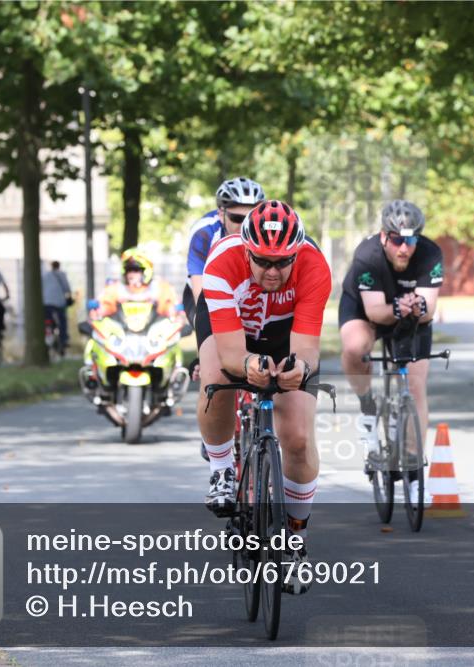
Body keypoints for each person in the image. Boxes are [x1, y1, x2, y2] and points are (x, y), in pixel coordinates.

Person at [196, 199, 331, 594]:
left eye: (283, 262)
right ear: (246, 251)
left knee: (299, 437)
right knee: (216, 378)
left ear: (297, 253)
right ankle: (222, 469)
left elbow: (306, 350)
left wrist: (299, 370)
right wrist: (247, 364)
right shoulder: (222, 263)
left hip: (286, 333)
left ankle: (296, 539)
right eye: (263, 262)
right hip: (233, 330)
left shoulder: (314, 266)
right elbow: (231, 356)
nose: (273, 271)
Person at [338, 200, 443, 500]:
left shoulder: (430, 253)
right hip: (367, 309)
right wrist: (397, 307)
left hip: (410, 316)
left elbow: (429, 309)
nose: (404, 248)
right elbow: (375, 312)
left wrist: (417, 307)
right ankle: (367, 407)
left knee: (415, 386)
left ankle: (414, 471)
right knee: (355, 347)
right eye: (397, 240)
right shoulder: (367, 255)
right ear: (384, 236)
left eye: (411, 240)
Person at [182, 177, 266, 327]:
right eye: (237, 218)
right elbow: (199, 287)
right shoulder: (204, 233)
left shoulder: (267, 230)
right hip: (206, 291)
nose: (244, 225)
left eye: (250, 219)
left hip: (245, 291)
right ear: (221, 214)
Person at [96, 248, 180, 321]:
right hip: (123, 331)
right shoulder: (115, 288)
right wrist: (99, 312)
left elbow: (169, 309)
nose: (131, 274)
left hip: (153, 331)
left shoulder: (159, 288)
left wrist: (174, 313)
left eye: (136, 270)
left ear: (146, 272)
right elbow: (105, 306)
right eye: (129, 270)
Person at [42, 261, 73, 352]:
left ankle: (47, 334)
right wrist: (69, 297)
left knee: (47, 321)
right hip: (59, 302)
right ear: (59, 266)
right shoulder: (61, 274)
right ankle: (63, 339)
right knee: (62, 321)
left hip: (47, 302)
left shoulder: (45, 275)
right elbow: (67, 288)